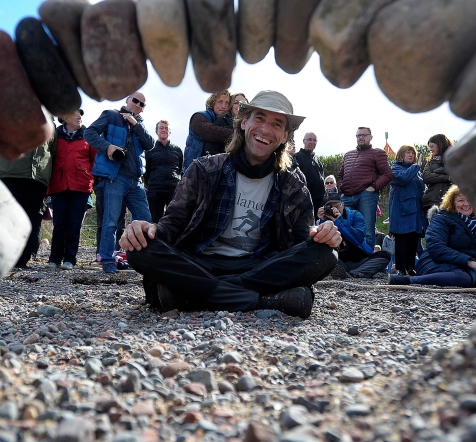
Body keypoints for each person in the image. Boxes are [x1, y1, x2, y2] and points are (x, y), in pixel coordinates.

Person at [119, 90, 341, 318]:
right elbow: (172, 223)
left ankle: (198, 292)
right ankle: (256, 299)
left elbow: (302, 242)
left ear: (284, 136)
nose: (265, 129)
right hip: (201, 261)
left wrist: (324, 235)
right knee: (140, 248)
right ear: (244, 123)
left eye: (276, 124)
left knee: (326, 253)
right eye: (259, 119)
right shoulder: (204, 169)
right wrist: (148, 229)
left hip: (260, 266)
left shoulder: (293, 184)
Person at [84, 91, 155, 274]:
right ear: (127, 100)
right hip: (115, 178)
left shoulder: (140, 124)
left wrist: (135, 124)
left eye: (142, 104)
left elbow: (150, 144)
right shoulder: (111, 115)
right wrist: (107, 146)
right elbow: (89, 133)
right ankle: (107, 260)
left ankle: (140, 260)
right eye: (136, 101)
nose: (138, 105)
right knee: (110, 221)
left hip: (136, 181)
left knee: (145, 220)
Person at [389, 185, 476, 287]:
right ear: (451, 203)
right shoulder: (441, 219)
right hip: (435, 262)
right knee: (463, 278)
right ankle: (409, 280)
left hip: (464, 266)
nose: (466, 204)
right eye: (460, 200)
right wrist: (469, 262)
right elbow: (436, 248)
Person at [0, 120, 55, 269]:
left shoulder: (51, 126)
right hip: (10, 175)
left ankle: (22, 260)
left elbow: (52, 151)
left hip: (37, 180)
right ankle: (4, 258)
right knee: (7, 219)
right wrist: (6, 163)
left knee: (32, 221)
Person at [46, 109, 95, 270]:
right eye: (75, 113)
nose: (79, 116)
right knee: (59, 223)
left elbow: (95, 160)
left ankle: (70, 259)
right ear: (64, 117)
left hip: (81, 185)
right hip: (59, 185)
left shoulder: (89, 135)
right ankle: (54, 259)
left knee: (74, 224)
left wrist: (91, 179)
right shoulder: (54, 136)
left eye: (81, 113)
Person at [338, 126, 393, 245]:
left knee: (367, 231)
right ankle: (348, 260)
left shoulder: (378, 153)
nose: (360, 138)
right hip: (346, 197)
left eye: (363, 135)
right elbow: (340, 176)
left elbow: (388, 174)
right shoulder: (348, 155)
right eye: (358, 135)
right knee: (345, 229)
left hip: (366, 196)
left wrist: (372, 188)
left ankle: (367, 260)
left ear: (371, 137)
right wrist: (341, 190)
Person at [317, 192, 391, 278]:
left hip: (360, 259)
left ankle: (353, 273)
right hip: (339, 260)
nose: (334, 210)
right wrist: (322, 221)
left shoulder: (355, 215)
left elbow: (358, 238)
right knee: (323, 257)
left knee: (385, 256)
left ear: (343, 204)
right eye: (330, 207)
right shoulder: (323, 221)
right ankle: (353, 273)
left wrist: (339, 221)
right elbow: (321, 245)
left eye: (337, 206)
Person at [388, 145, 426, 275]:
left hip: (416, 212)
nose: (411, 155)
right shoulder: (395, 169)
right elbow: (404, 179)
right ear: (401, 155)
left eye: (412, 153)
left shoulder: (417, 172)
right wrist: (416, 167)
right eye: (408, 153)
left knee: (413, 240)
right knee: (402, 240)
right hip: (401, 212)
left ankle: (411, 268)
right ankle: (401, 268)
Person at [143, 119, 184, 222]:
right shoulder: (149, 150)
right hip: (155, 190)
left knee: (174, 220)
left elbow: (180, 168)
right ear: (156, 131)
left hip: (173, 189)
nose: (164, 130)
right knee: (155, 221)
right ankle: (155, 238)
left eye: (166, 128)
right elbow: (146, 171)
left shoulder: (177, 150)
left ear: (170, 132)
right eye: (161, 128)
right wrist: (151, 184)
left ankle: (171, 238)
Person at [184, 90, 233, 167]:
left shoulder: (225, 121)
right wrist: (239, 136)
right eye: (220, 102)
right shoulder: (198, 117)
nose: (224, 106)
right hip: (193, 169)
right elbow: (210, 132)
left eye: (227, 103)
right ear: (213, 103)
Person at [421, 133, 454, 213]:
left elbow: (457, 176)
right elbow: (426, 177)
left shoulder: (454, 160)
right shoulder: (430, 163)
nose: (430, 149)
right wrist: (447, 178)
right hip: (432, 202)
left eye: (432, 146)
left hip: (450, 200)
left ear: (440, 145)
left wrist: (438, 171)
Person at [295, 131, 326, 211]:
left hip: (319, 202)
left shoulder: (317, 160)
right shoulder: (297, 157)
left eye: (314, 140)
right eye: (309, 139)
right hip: (304, 202)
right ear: (303, 141)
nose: (312, 142)